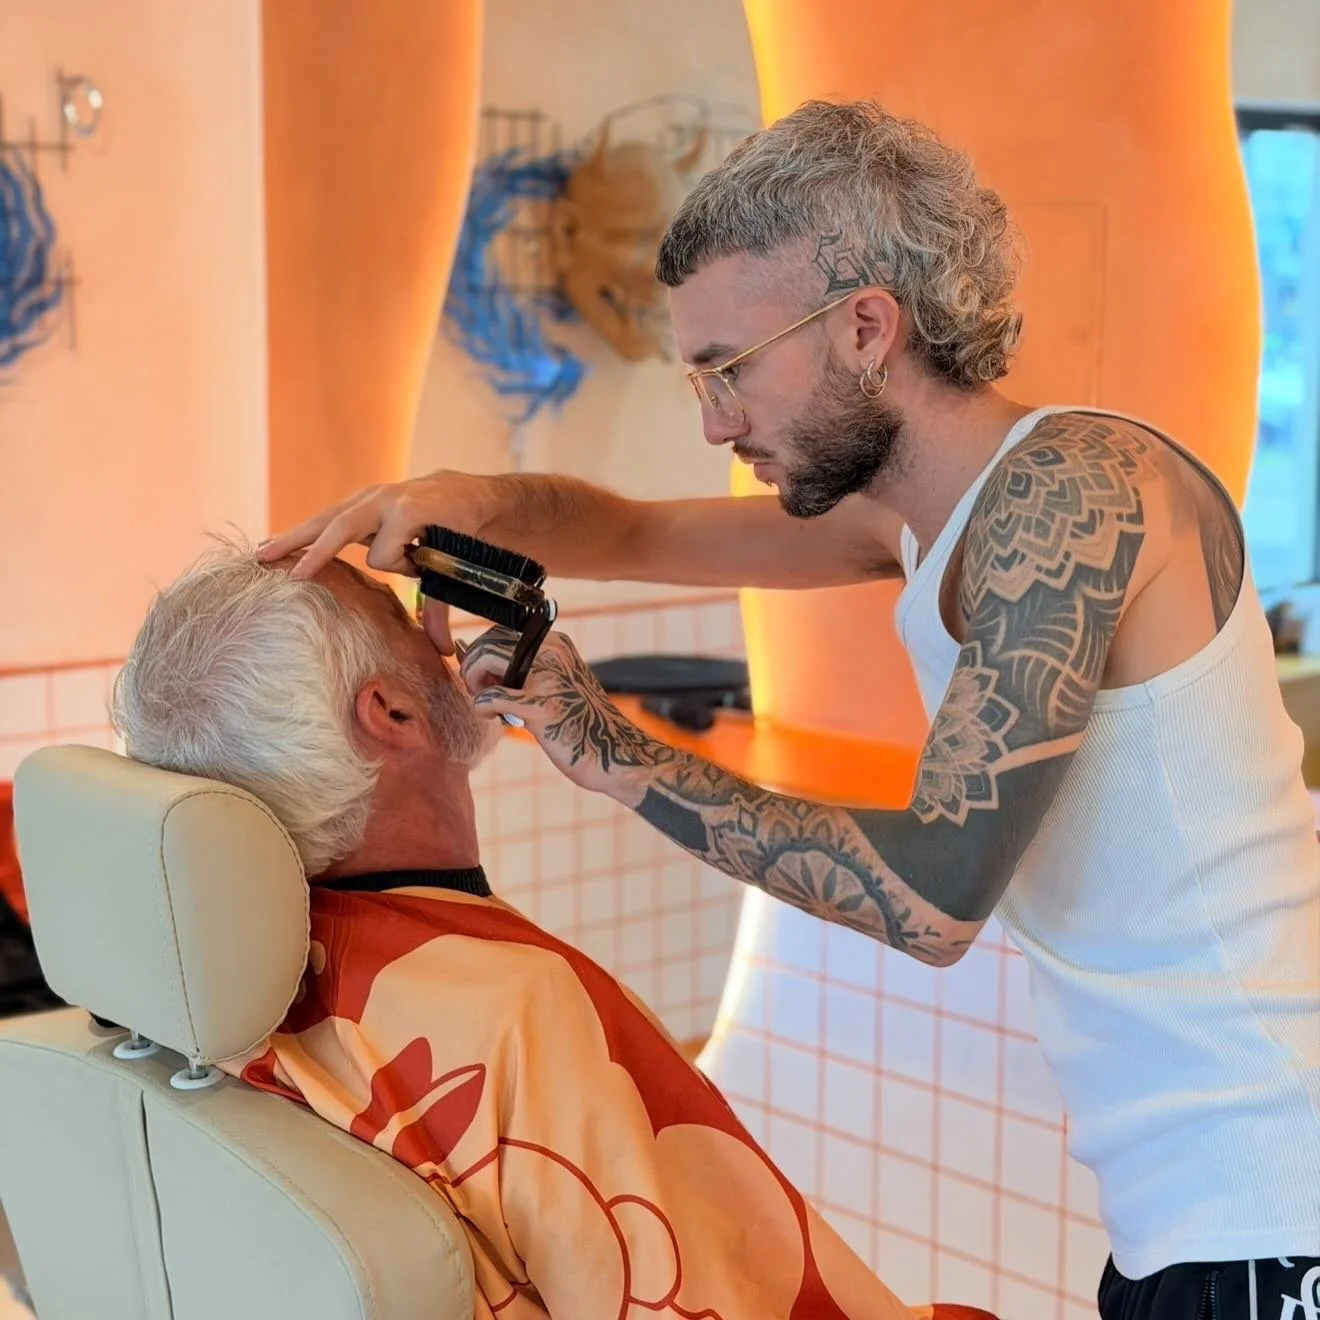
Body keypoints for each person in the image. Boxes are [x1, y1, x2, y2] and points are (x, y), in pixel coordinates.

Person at [260, 99, 1320, 1319]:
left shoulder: (1072, 491)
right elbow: (635, 534)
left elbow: (934, 897)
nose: (716, 422)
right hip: (1184, 1214)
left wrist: (609, 751)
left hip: (1270, 1199)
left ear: (866, 326)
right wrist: (465, 501)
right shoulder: (928, 519)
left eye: (730, 369)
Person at [111, 540, 992, 1320]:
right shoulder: (520, 1012)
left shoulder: (220, 997)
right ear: (392, 715)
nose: (442, 638)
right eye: (406, 619)